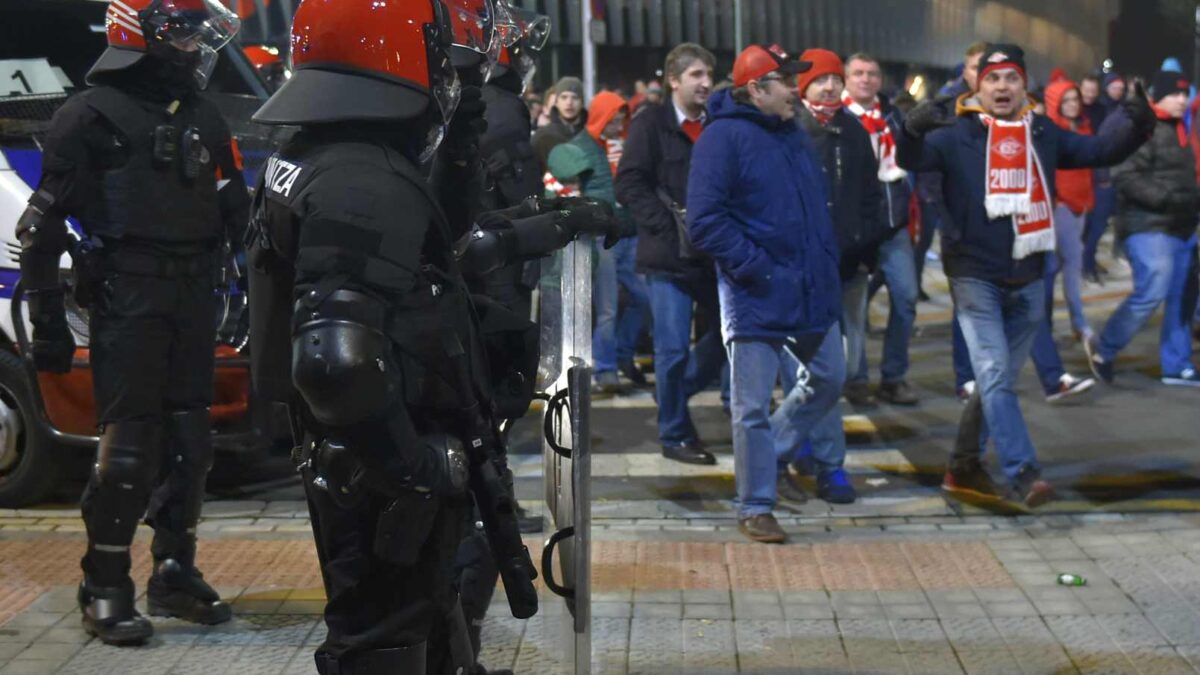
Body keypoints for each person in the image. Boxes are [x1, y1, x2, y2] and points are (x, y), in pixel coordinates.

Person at [248, 1, 544, 671]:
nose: (450, 66)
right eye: (439, 50)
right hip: (382, 463)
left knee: (420, 618)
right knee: (384, 637)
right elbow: (335, 361)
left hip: (355, 451)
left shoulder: (319, 152)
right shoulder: (365, 181)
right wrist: (418, 463)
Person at [16, 0, 247, 645]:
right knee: (129, 453)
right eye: (180, 30)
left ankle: (174, 572)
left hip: (194, 296)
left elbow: (234, 210)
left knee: (191, 444)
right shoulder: (86, 115)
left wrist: (252, 290)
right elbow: (41, 225)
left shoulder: (202, 111)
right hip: (129, 296)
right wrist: (48, 322)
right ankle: (106, 582)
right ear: (135, 35)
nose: (194, 43)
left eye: (197, 31)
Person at [898, 44, 1152, 507]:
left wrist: (1137, 122)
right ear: (979, 84)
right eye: (992, 78)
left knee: (995, 384)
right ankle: (1023, 472)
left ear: (1023, 85)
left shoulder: (1042, 131)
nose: (1001, 87)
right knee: (994, 377)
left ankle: (963, 467)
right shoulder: (955, 132)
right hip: (974, 274)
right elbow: (911, 160)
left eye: (1010, 78)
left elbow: (1097, 150)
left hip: (1030, 276)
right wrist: (911, 129)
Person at [689, 44, 848, 543]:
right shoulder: (722, 138)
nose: (797, 90)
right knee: (750, 406)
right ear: (756, 88)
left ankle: (769, 454)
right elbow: (705, 221)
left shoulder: (792, 132)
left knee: (830, 378)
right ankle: (756, 504)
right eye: (786, 81)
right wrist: (757, 268)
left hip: (808, 290)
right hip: (755, 293)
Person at [616, 43, 724, 465]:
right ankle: (675, 433)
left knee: (724, 341)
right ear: (674, 80)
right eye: (697, 74)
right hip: (667, 258)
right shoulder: (651, 125)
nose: (706, 83)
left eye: (709, 74)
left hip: (713, 256)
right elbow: (629, 183)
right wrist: (664, 226)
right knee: (673, 348)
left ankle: (672, 392)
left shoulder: (719, 124)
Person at [790, 47, 880, 505]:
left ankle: (822, 461)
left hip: (844, 264)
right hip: (800, 269)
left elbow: (870, 195)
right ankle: (813, 455)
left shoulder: (853, 130)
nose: (828, 87)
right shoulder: (791, 130)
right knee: (810, 372)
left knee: (829, 370)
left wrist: (867, 246)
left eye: (832, 80)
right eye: (818, 80)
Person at [1087, 71, 1200, 387]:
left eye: (1184, 94)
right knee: (1153, 289)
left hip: (1181, 225)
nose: (1181, 99)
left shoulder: (1180, 128)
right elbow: (1126, 176)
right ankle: (1104, 346)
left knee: (1183, 297)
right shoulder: (1142, 127)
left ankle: (1177, 365)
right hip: (1147, 224)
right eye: (1175, 94)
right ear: (1158, 96)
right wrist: (1167, 199)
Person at [841, 51, 920, 406]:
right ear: (846, 78)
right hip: (856, 228)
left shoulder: (891, 116)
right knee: (854, 308)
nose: (865, 79)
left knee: (905, 297)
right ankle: (856, 379)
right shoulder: (838, 118)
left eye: (871, 73)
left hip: (893, 224)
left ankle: (893, 376)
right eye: (857, 73)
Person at [567, 90, 647, 391]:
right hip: (604, 235)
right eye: (613, 120)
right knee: (607, 307)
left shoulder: (620, 145)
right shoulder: (582, 148)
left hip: (626, 232)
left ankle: (621, 356)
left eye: (621, 120)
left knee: (641, 299)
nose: (618, 125)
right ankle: (606, 368)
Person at [1026, 77, 1098, 402]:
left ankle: (1052, 338)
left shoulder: (1080, 127)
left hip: (1079, 205)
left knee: (1054, 269)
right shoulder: (1048, 132)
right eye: (1065, 99)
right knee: (1064, 265)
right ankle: (1080, 326)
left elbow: (1092, 164)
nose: (1073, 104)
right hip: (1059, 207)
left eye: (1075, 99)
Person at [1083, 72, 1130, 281]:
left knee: (1098, 222)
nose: (1117, 91)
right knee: (1095, 222)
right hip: (1096, 172)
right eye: (1114, 87)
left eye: (1121, 88)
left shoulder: (1107, 110)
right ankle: (1085, 265)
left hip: (1107, 170)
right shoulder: (1103, 112)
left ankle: (1089, 261)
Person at [532, 76, 586, 167]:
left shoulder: (591, 135)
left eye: (575, 97)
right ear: (557, 102)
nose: (569, 102)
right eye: (564, 97)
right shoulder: (542, 137)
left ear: (582, 103)